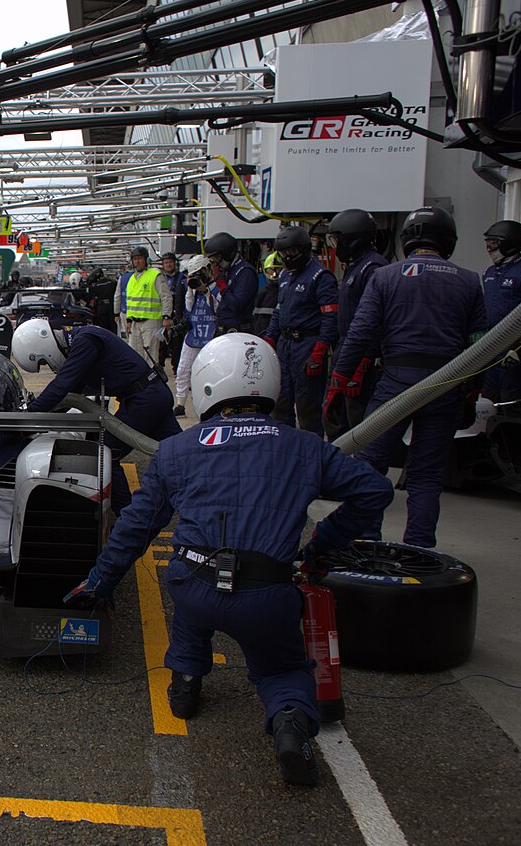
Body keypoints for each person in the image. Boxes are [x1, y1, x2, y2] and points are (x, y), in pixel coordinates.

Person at [65, 334, 393, 786]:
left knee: (187, 602)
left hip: (195, 580)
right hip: (267, 593)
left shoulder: (176, 451)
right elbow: (375, 492)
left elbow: (135, 529)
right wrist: (319, 548)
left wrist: (98, 582)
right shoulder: (303, 446)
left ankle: (184, 683)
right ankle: (289, 726)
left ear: (204, 386)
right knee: (281, 668)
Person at [331, 206, 487, 548]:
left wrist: (338, 383)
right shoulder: (468, 279)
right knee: (426, 476)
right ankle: (419, 547)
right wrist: (472, 391)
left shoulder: (385, 276)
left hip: (395, 385)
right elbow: (481, 344)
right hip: (445, 386)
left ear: (407, 240)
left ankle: (367, 541)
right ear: (448, 240)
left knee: (371, 466)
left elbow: (359, 333)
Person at [13, 317, 182, 514]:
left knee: (107, 454)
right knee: (181, 455)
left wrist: (28, 415)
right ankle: (200, 495)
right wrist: (38, 415)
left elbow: (62, 385)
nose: (49, 366)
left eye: (43, 362)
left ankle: (126, 517)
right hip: (150, 394)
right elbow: (70, 395)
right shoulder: (82, 338)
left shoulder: (84, 342)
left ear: (43, 345)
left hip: (144, 400)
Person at [262, 227, 338, 436]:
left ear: (303, 250)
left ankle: (311, 450)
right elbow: (279, 311)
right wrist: (269, 339)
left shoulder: (320, 277)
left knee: (308, 405)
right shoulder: (285, 276)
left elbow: (331, 319)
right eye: (283, 253)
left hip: (307, 346)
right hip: (285, 345)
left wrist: (319, 351)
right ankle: (285, 447)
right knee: (281, 400)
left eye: (291, 253)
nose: (287, 257)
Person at [327, 209, 388, 435]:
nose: (334, 246)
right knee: (335, 417)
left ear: (352, 239)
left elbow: (374, 322)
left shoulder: (373, 268)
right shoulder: (355, 266)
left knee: (357, 424)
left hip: (361, 357)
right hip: (345, 350)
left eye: (337, 239)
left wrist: (364, 362)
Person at [481, 219, 521, 417]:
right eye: (487, 243)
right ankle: (487, 445)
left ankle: (514, 445)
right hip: (489, 348)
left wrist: (518, 346)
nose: (489, 248)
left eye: (493, 243)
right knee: (487, 401)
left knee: (510, 400)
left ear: (509, 244)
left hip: (513, 349)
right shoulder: (489, 272)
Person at [174, 256, 219, 417]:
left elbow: (218, 308)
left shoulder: (216, 287)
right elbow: (188, 308)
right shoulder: (191, 291)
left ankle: (211, 404)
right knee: (183, 370)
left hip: (212, 336)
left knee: (210, 372)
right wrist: (191, 289)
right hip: (194, 334)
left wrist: (205, 290)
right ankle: (180, 404)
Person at [117, 246, 174, 366]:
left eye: (140, 259)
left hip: (151, 322)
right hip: (135, 324)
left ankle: (151, 381)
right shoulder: (132, 279)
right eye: (135, 259)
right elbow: (130, 301)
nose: (137, 262)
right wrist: (128, 320)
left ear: (146, 260)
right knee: (135, 354)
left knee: (151, 356)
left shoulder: (155, 275)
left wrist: (166, 316)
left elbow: (166, 297)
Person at [205, 232, 257, 334]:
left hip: (237, 330)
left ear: (226, 254)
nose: (215, 263)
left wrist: (223, 287)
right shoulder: (229, 271)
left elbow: (236, 305)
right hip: (223, 328)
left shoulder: (244, 272)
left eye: (216, 258)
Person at [161, 252, 187, 373]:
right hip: (162, 314)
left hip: (177, 314)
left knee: (177, 344)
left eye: (170, 262)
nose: (168, 264)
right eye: (166, 263)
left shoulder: (182, 278)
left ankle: (177, 369)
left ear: (175, 263)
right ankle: (159, 368)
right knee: (162, 343)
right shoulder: (160, 278)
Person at [251, 251, 282, 337]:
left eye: (278, 270)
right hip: (262, 335)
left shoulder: (285, 292)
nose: (275, 275)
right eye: (270, 271)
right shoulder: (261, 293)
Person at [84, 268, 118, 333]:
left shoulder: (95, 285)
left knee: (102, 329)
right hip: (112, 307)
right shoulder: (112, 282)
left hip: (101, 308)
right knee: (113, 329)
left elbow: (87, 291)